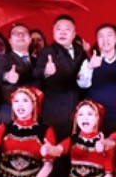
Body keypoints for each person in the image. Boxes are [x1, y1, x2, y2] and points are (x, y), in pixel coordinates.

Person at [33, 15, 87, 161]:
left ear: (74, 34)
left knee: (75, 146)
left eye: (67, 29)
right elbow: (35, 73)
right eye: (59, 29)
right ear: (53, 32)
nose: (62, 32)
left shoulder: (80, 50)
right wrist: (46, 71)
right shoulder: (47, 51)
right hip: (55, 108)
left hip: (76, 107)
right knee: (54, 149)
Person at [78, 23, 116, 135]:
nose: (105, 39)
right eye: (101, 36)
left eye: (109, 35)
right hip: (95, 118)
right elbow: (82, 84)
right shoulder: (89, 61)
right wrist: (90, 67)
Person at [0, 23, 36, 126]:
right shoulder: (3, 59)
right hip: (11, 113)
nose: (20, 35)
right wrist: (6, 76)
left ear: (30, 39)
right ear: (10, 41)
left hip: (35, 114)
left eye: (24, 33)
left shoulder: (37, 61)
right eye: (16, 33)